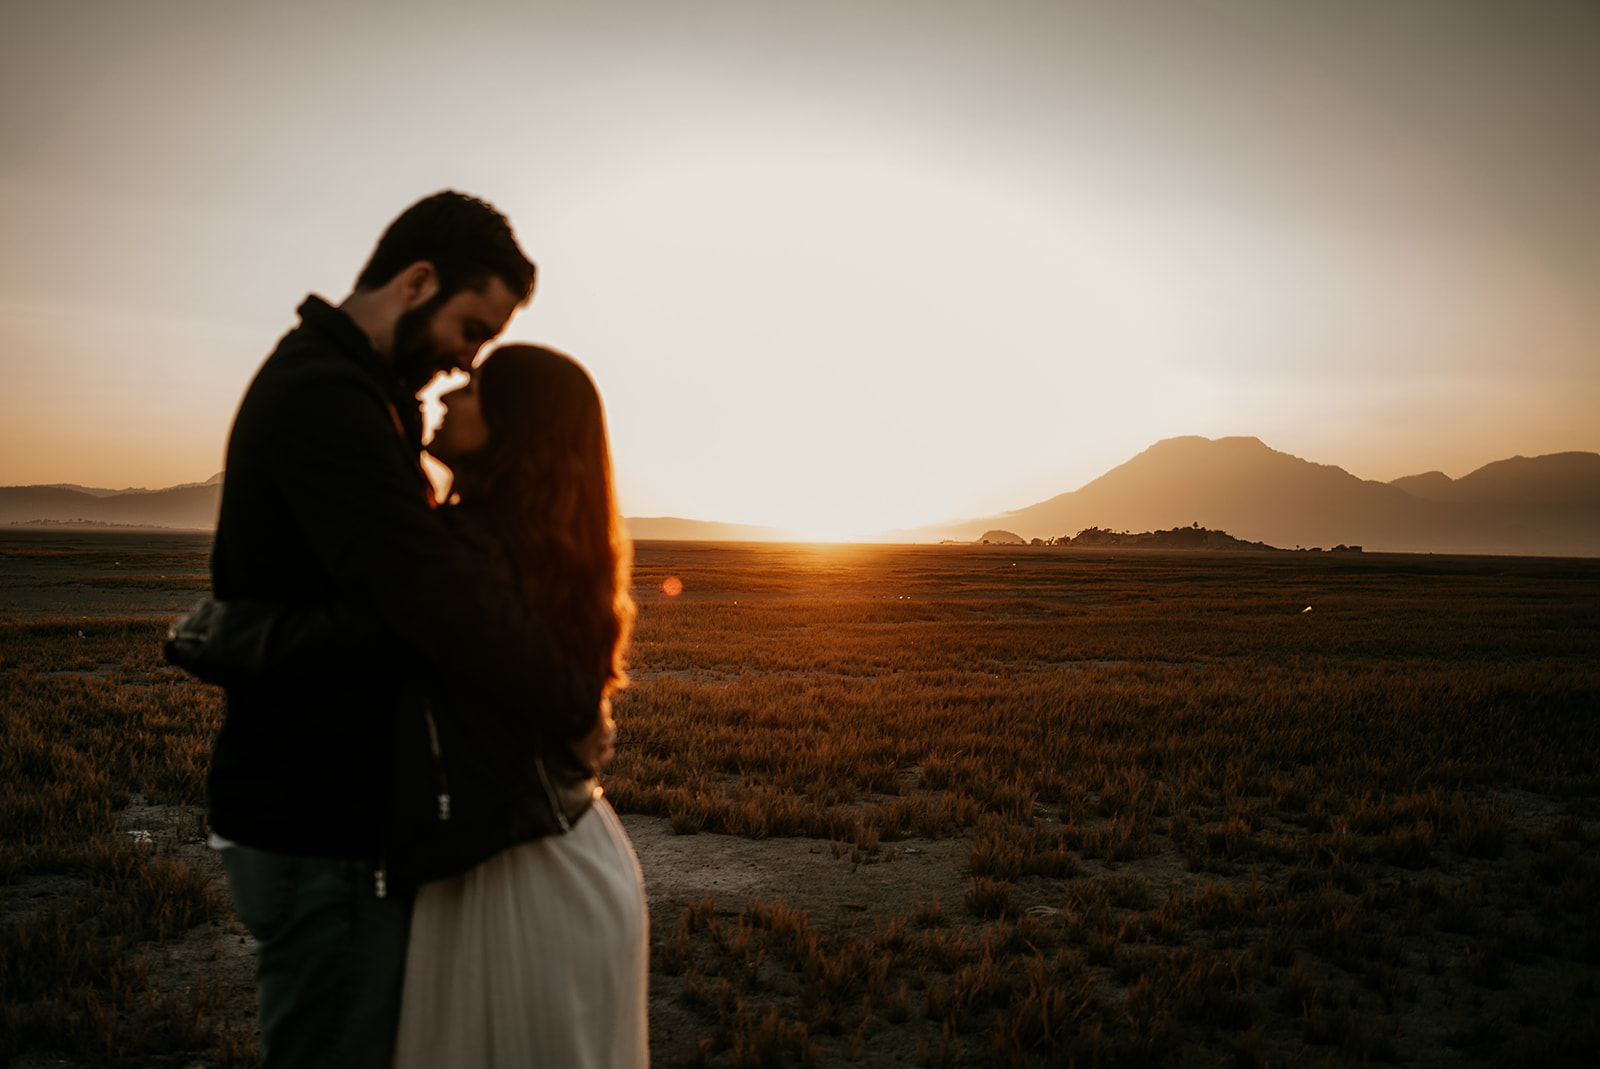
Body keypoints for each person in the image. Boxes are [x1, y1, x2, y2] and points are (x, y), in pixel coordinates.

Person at [204, 192, 601, 1069]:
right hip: (319, 819)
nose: (469, 360)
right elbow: (431, 598)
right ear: (417, 281)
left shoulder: (360, 392)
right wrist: (575, 704)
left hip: (323, 814)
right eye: (471, 328)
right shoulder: (327, 396)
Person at [391, 343, 647, 1068]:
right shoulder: (537, 553)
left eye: (471, 388)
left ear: (516, 423)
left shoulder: (467, 552)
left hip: (516, 878)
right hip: (565, 850)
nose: (446, 396)